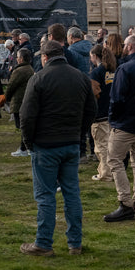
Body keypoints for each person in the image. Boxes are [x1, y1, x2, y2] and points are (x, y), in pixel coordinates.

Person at [18, 39, 96, 256]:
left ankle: (43, 243)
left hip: (46, 145)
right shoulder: (80, 77)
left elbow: (26, 115)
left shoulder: (39, 78)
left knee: (45, 196)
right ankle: (75, 243)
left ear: (44, 57)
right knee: (72, 193)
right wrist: (79, 132)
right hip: (71, 143)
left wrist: (28, 142)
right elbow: (92, 109)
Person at [104, 34, 135, 222]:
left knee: (114, 160)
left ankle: (125, 203)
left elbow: (116, 98)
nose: (123, 47)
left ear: (131, 47)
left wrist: (112, 119)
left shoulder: (125, 68)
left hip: (125, 123)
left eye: (125, 45)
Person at [87, 44, 116, 181]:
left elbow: (93, 95)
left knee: (101, 146)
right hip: (111, 112)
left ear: (95, 56)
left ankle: (106, 174)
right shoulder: (111, 70)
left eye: (91, 56)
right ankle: (107, 170)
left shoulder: (96, 73)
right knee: (110, 145)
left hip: (99, 115)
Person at [4, 48, 35, 157]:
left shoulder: (19, 71)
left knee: (22, 126)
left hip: (19, 101)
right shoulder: (30, 69)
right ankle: (26, 147)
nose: (16, 59)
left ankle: (24, 148)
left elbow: (11, 86)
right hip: (27, 100)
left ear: (21, 59)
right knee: (24, 126)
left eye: (17, 57)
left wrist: (5, 98)